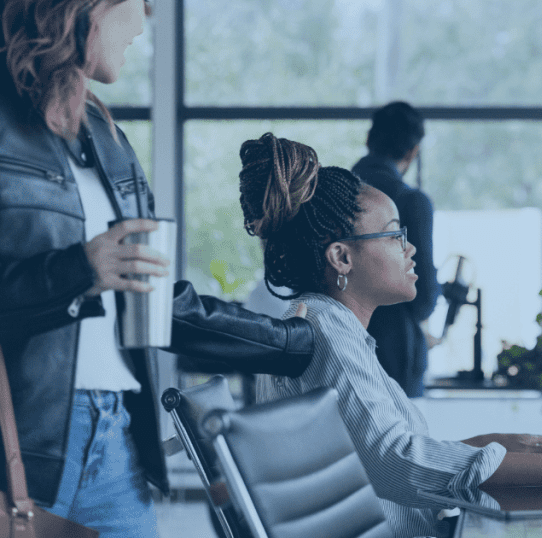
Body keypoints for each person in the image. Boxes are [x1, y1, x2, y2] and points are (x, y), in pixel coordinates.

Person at [0, 2, 313, 536]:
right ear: (87, 7)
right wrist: (79, 270)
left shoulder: (102, 132)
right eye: (138, 5)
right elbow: (88, 271)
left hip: (116, 434)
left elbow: (158, 300)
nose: (143, 25)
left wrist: (294, 342)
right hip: (24, 446)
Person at [243, 133, 542, 538]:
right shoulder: (325, 333)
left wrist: (487, 447)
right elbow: (398, 462)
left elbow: (379, 452)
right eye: (394, 235)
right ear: (342, 257)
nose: (411, 249)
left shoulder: (333, 328)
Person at [352, 101, 438, 397]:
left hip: (340, 344)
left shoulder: (332, 193)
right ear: (413, 151)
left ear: (369, 140)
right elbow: (423, 297)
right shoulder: (411, 202)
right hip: (395, 355)